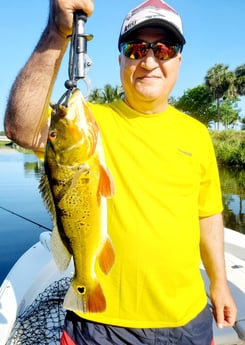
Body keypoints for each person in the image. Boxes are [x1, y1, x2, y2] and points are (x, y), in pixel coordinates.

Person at [4, 0, 237, 344]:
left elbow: (208, 214)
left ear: (178, 61)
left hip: (188, 319)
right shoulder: (90, 124)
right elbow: (21, 127)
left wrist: (219, 283)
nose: (149, 60)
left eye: (164, 49)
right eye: (136, 48)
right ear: (121, 60)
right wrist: (58, 32)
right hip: (101, 326)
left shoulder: (197, 135)